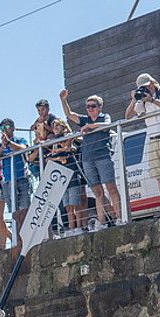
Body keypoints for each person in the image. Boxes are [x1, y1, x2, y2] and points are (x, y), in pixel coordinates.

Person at [60, 89, 120, 228]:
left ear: (99, 107)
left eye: (93, 106)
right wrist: (63, 101)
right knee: (97, 191)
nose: (90, 109)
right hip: (87, 158)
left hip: (103, 156)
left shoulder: (104, 117)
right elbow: (69, 114)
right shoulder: (84, 119)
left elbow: (108, 125)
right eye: (88, 106)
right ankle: (102, 222)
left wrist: (90, 126)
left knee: (111, 187)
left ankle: (120, 218)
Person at [127, 72, 160, 215]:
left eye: (146, 86)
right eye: (142, 88)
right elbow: (128, 116)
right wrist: (134, 100)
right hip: (152, 139)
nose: (145, 89)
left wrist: (151, 100)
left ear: (151, 83)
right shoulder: (141, 98)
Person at [44, 121, 87, 235]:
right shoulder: (54, 142)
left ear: (64, 127)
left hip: (72, 174)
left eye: (59, 126)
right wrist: (57, 155)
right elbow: (50, 157)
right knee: (68, 206)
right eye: (54, 127)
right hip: (62, 178)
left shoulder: (68, 136)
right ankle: (71, 228)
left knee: (76, 203)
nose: (56, 128)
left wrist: (57, 153)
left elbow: (70, 149)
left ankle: (78, 227)